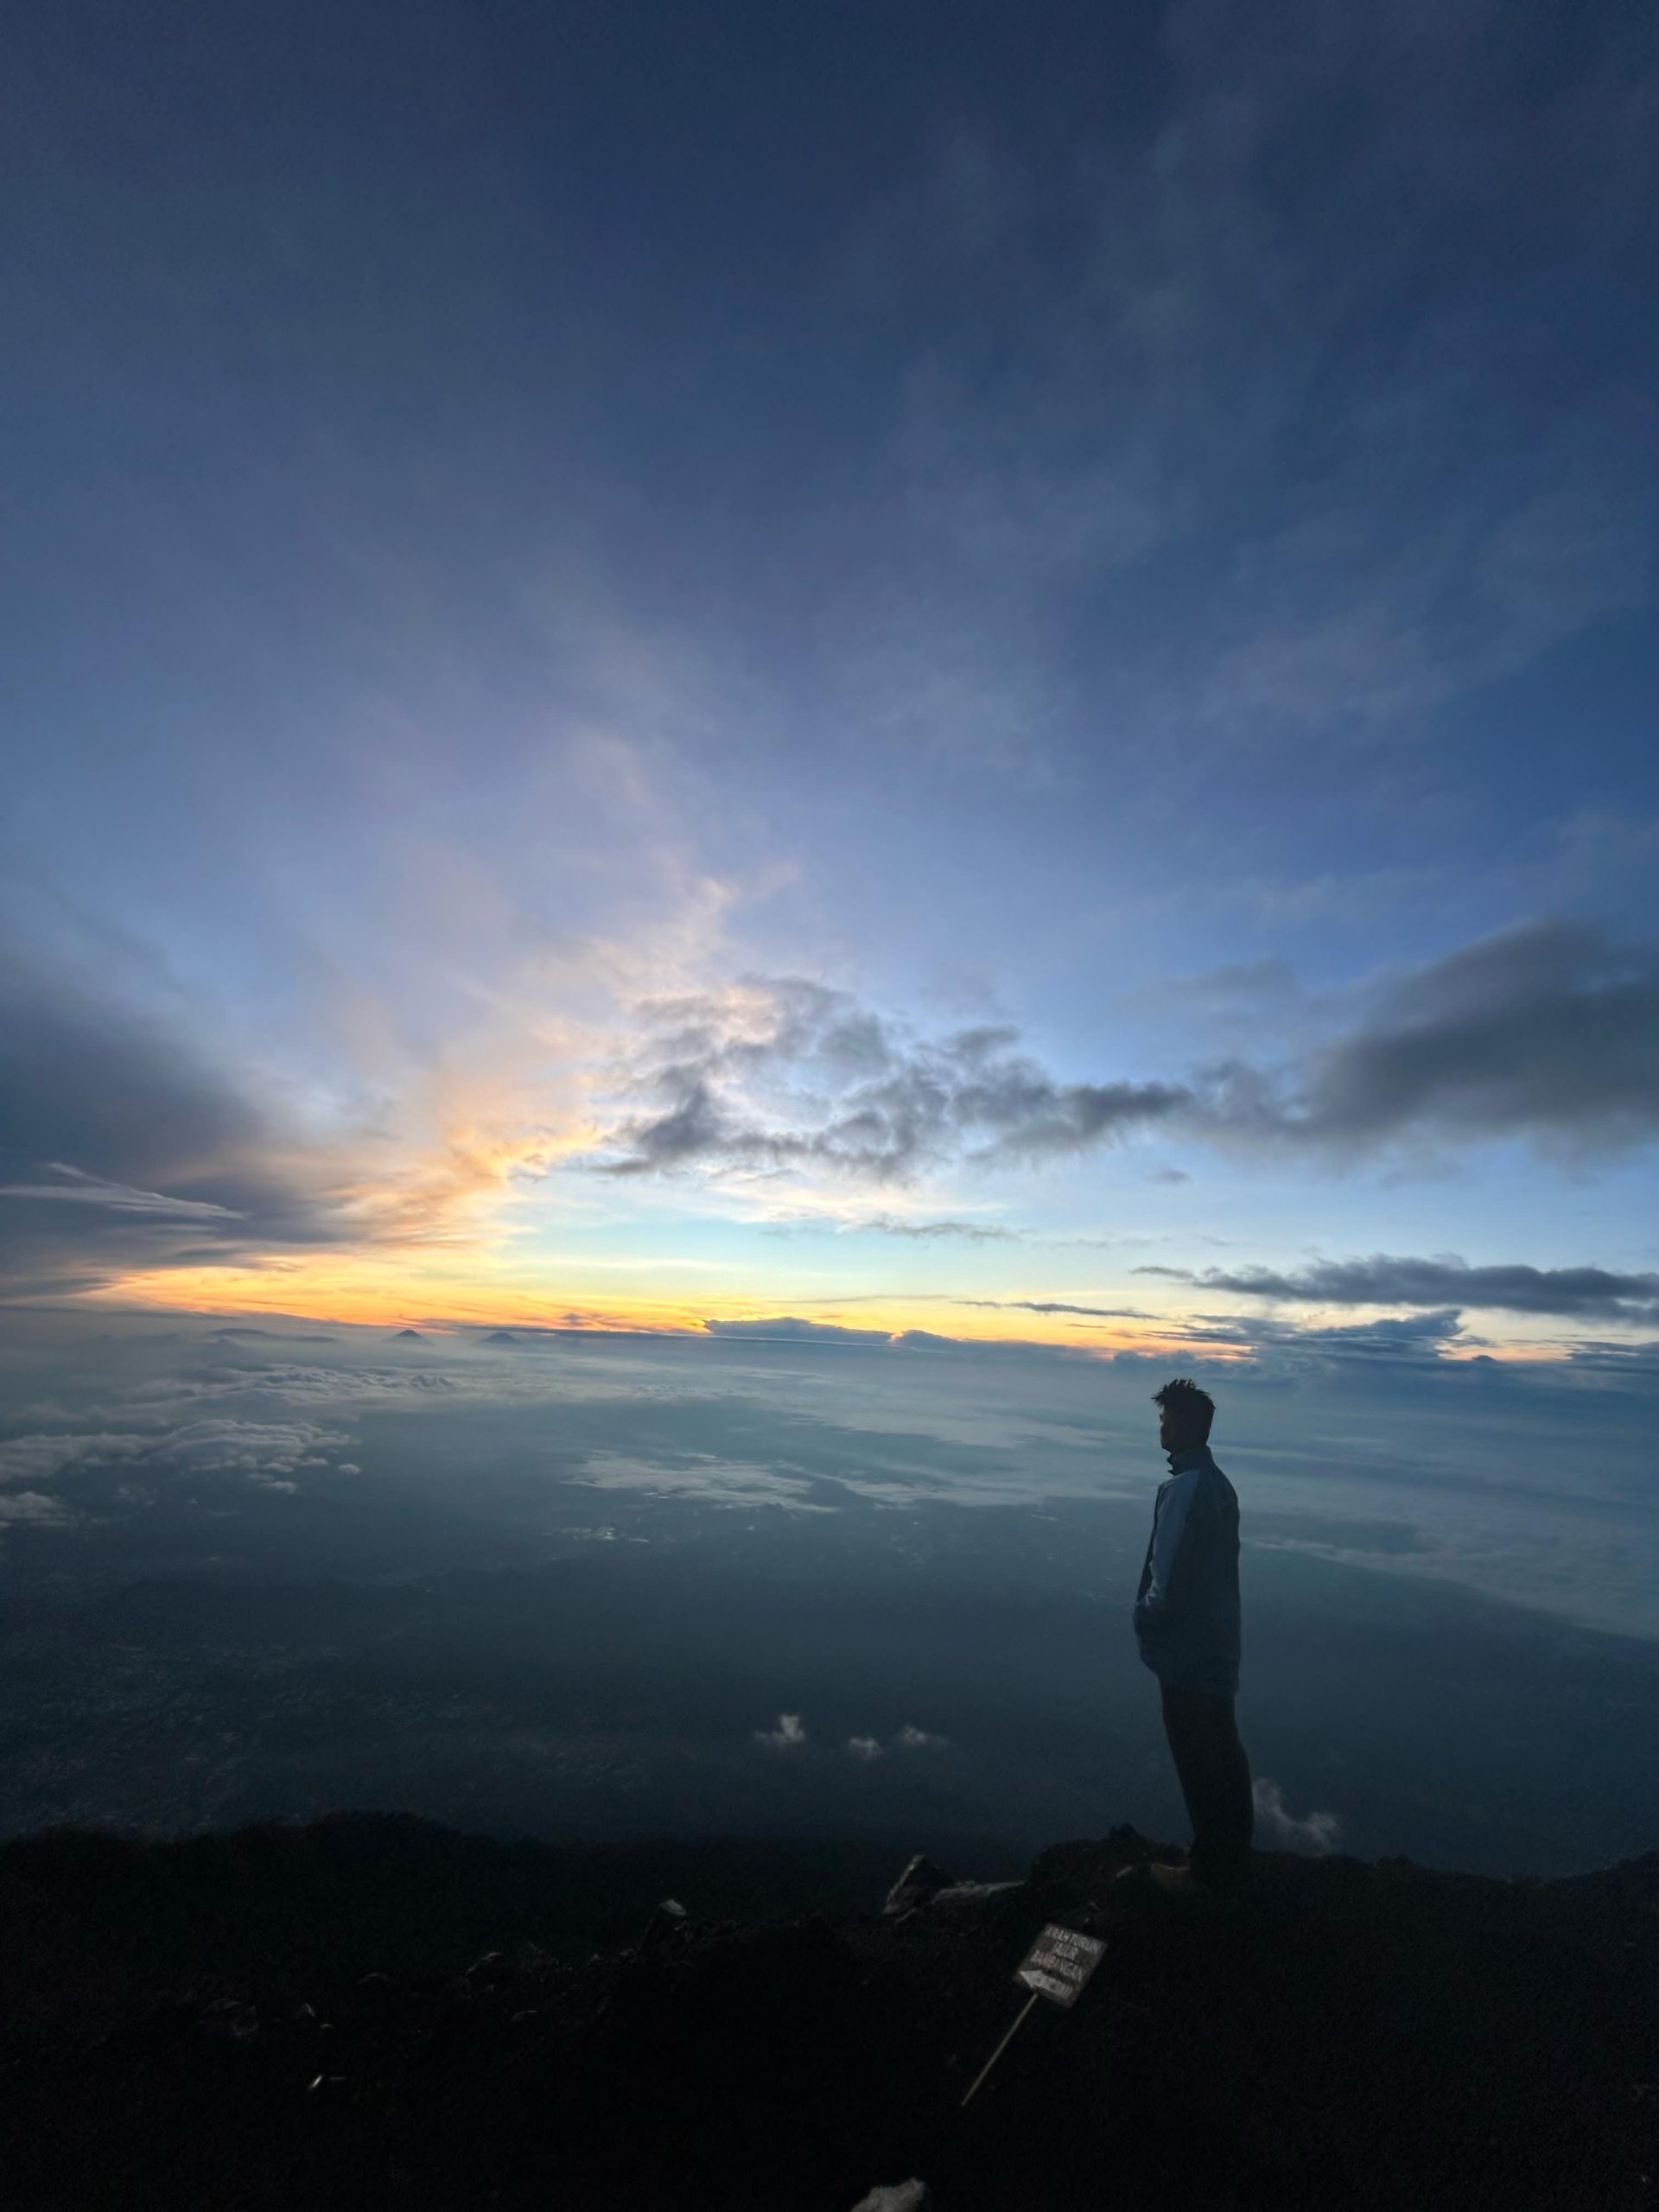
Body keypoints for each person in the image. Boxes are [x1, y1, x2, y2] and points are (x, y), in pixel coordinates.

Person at [1123, 1377, 1253, 1900]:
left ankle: (1209, 1872)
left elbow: (1168, 1574)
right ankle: (1230, 1857)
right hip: (1217, 1643)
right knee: (1223, 1748)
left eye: (1166, 1418)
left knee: (1198, 1755)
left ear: (1184, 1425)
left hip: (1188, 1650)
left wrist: (1145, 1619)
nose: (1161, 1426)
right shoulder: (1217, 1484)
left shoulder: (1186, 1490)